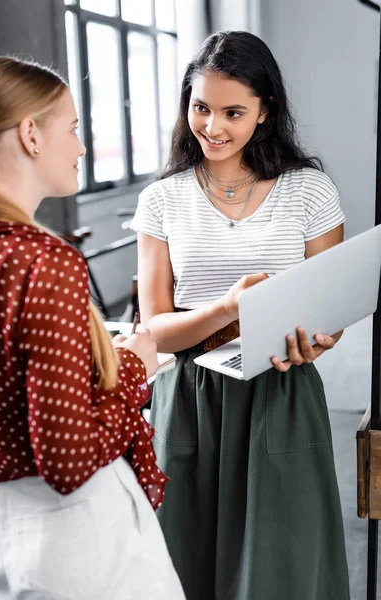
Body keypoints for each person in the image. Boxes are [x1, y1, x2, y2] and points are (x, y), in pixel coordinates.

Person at [132, 31, 350, 600]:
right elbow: (154, 329)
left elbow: (330, 312)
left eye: (233, 112)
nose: (213, 126)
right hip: (189, 396)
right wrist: (228, 306)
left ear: (265, 112)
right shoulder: (163, 199)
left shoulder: (310, 191)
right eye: (201, 107)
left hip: (279, 390)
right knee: (184, 552)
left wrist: (317, 339)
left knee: (283, 559)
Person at [0, 56, 186, 600]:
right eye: (72, 128)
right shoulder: (42, 264)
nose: (81, 147)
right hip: (74, 540)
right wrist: (135, 370)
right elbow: (68, 460)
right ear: (30, 134)